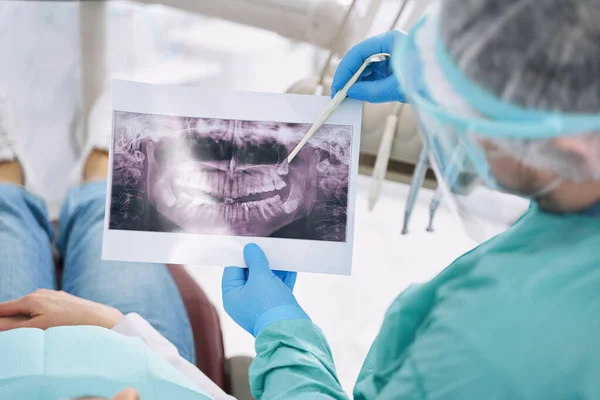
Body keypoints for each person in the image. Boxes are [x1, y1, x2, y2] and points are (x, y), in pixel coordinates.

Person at [221, 0, 600, 398]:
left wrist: (281, 333)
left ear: (564, 140)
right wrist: (434, 70)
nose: (450, 116)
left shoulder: (491, 345)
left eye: (468, 112)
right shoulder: (579, 180)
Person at [0, 93, 233, 399]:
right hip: (151, 384)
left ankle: (8, 182)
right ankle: (102, 177)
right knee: (109, 216)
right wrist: (117, 326)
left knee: (6, 220)